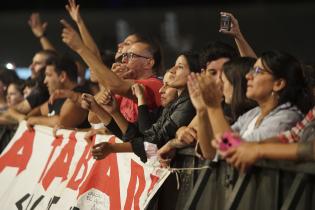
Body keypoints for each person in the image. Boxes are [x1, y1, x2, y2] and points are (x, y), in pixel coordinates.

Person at [194, 50, 313, 160]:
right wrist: (202, 110)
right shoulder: (254, 113)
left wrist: (214, 108)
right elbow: (211, 153)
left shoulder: (286, 117)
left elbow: (232, 150)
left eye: (258, 71)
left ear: (278, 83)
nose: (248, 76)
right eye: (252, 70)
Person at [89, 51, 200, 163]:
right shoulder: (171, 106)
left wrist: (141, 100)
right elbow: (134, 135)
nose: (161, 89)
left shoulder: (187, 102)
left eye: (180, 66)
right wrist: (114, 112)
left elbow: (150, 145)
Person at [26, 55, 89, 129]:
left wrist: (34, 120)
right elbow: (39, 110)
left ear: (62, 76)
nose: (45, 81)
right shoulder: (58, 96)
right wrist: (29, 119)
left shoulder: (79, 96)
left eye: (48, 75)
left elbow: (62, 123)